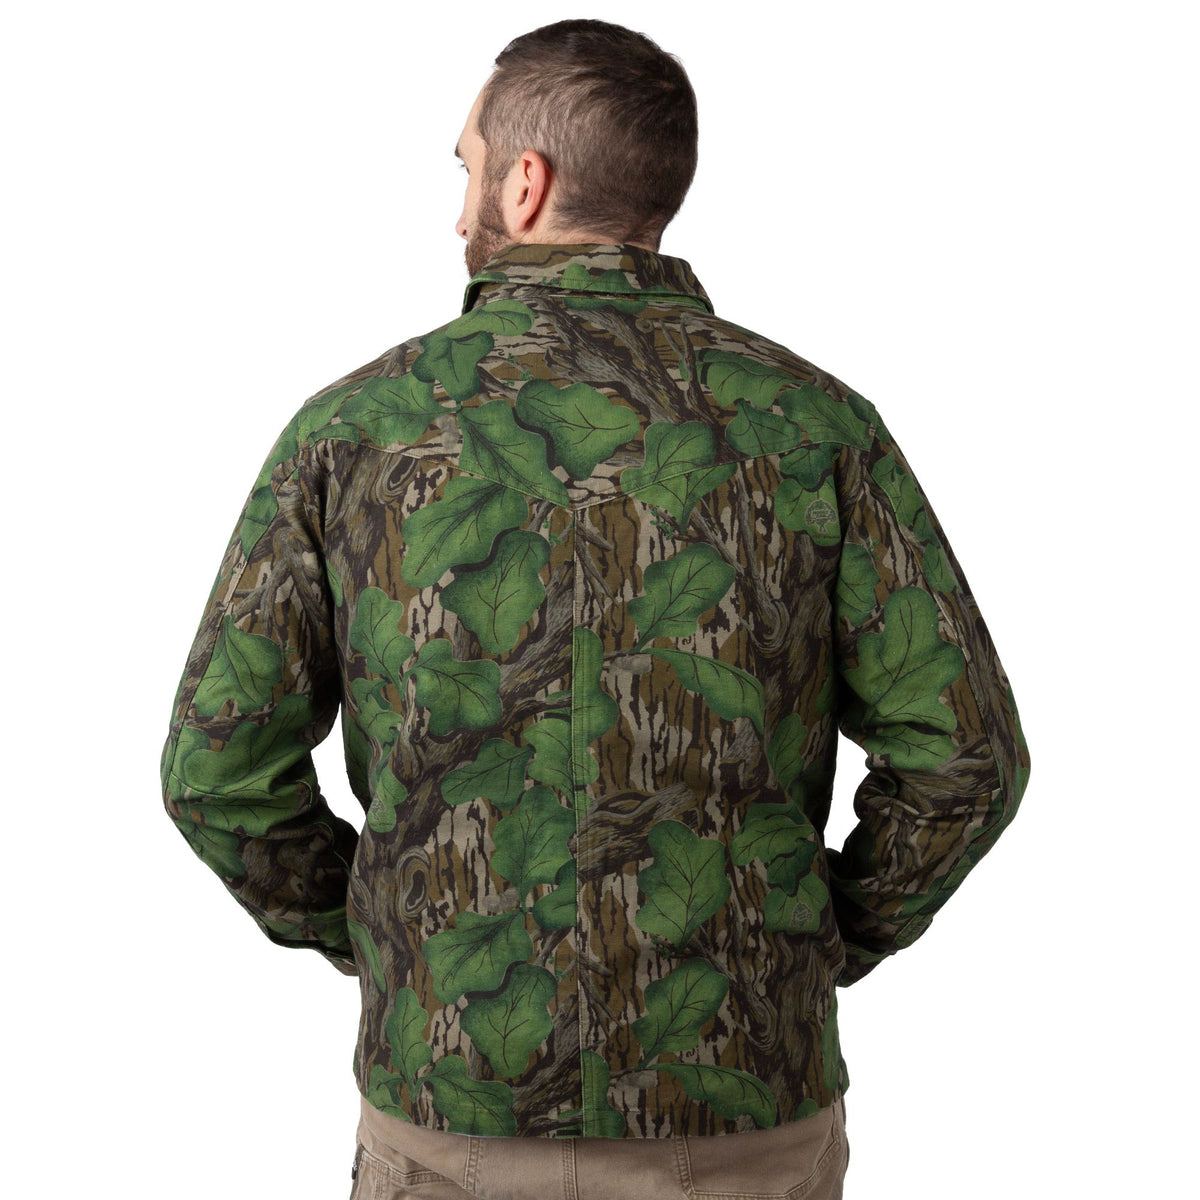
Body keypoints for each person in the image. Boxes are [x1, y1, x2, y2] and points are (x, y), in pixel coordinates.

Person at [159, 18, 1030, 1200]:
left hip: (454, 1115)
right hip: (742, 1111)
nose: (458, 208)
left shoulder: (357, 432)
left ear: (525, 184)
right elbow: (967, 758)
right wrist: (802, 940)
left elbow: (218, 772)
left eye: (466, 168)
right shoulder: (813, 425)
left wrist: (400, 944)